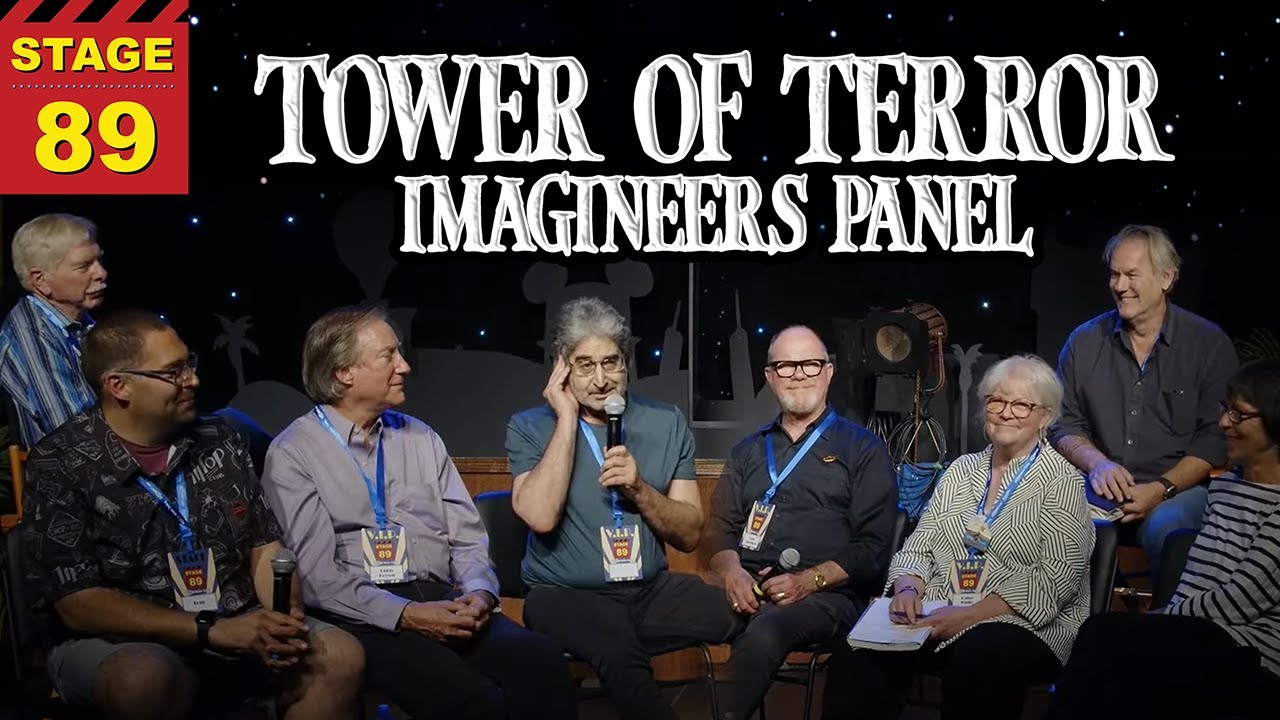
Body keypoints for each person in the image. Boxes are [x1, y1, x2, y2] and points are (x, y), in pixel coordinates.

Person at [21, 309, 363, 720]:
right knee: (142, 678)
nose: (193, 380)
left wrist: (281, 619)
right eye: (173, 372)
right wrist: (211, 631)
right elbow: (79, 604)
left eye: (189, 364)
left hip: (235, 617)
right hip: (123, 640)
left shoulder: (221, 439)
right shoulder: (59, 462)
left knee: (339, 655)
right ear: (119, 386)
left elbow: (265, 547)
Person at [262, 305, 575, 720]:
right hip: (363, 616)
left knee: (542, 661)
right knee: (470, 697)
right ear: (344, 372)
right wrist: (407, 615)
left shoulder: (421, 437)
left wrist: (479, 594)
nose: (404, 366)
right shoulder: (293, 453)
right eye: (388, 355)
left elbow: (467, 536)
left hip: (443, 599)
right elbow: (319, 578)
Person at [505, 296, 740, 720]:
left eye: (610, 363)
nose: (600, 380)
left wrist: (639, 489)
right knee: (616, 642)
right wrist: (566, 419)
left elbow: (689, 534)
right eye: (584, 365)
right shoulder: (529, 426)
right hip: (563, 596)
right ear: (562, 367)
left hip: (648, 591)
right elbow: (539, 516)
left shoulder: (665, 421)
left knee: (748, 614)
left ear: (626, 362)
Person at [823, 354, 1095, 720]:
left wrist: (969, 615)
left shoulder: (1063, 481)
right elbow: (919, 546)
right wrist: (908, 589)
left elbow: (1055, 579)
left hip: (1022, 624)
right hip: (938, 610)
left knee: (981, 651)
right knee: (858, 649)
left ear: (1045, 417)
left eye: (1021, 405)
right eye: (997, 401)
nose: (1006, 413)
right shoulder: (959, 471)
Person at [1048, 360, 1280, 720]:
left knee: (1106, 636)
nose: (1223, 423)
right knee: (1106, 651)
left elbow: (1241, 601)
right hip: (1195, 634)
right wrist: (1164, 622)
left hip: (1252, 653)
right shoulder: (1226, 487)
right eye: (1226, 409)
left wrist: (1162, 618)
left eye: (1238, 415)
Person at [703, 325, 898, 720]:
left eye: (810, 364)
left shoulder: (863, 449)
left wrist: (807, 581)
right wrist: (732, 573)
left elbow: (872, 548)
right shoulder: (747, 451)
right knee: (665, 612)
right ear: (770, 376)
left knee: (767, 629)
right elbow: (718, 530)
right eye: (785, 366)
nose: (798, 374)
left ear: (828, 371)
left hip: (826, 596)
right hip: (746, 588)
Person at [1051, 224, 1238, 578]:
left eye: (1132, 275)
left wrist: (1160, 488)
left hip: (1177, 489)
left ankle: (1166, 614)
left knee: (1167, 528)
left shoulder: (1208, 345)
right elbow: (1064, 424)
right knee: (1052, 520)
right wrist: (1098, 465)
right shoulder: (1084, 341)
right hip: (1097, 487)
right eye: (1114, 275)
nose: (1120, 286)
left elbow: (1214, 438)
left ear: (1166, 278)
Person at [0, 213, 107, 448]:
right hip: (79, 466)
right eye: (84, 266)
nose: (101, 273)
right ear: (40, 280)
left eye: (99, 260)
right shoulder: (31, 335)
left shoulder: (81, 323)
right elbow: (76, 438)